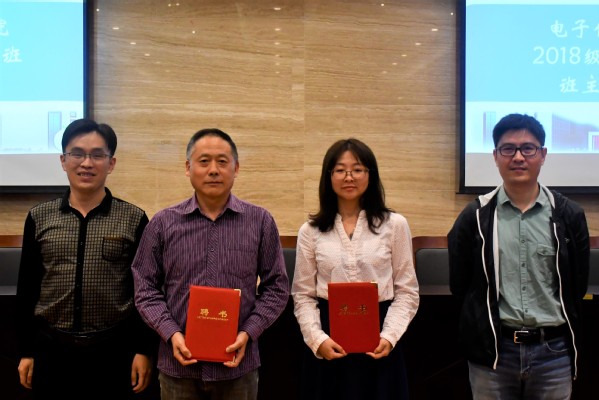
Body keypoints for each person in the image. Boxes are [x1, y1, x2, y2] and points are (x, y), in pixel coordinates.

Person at [131, 128, 289, 400]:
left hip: (238, 368)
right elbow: (144, 287)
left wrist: (248, 332)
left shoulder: (260, 221)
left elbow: (277, 288)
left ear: (236, 168)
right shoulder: (163, 223)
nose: (213, 170)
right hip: (177, 367)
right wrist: (171, 333)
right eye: (204, 161)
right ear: (188, 167)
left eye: (222, 161)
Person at [448, 113, 590, 400]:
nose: (518, 157)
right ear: (495, 156)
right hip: (494, 354)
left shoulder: (568, 215)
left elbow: (577, 286)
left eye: (528, 148)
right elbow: (460, 286)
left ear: (543, 155)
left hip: (553, 353)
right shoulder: (475, 216)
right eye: (508, 149)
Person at [15, 118, 158, 399]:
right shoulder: (39, 217)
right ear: (63, 160)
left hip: (113, 352)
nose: (86, 163)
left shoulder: (134, 219)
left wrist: (143, 350)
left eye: (97, 155)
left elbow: (145, 290)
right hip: (51, 350)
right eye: (77, 153)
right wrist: (26, 350)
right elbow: (28, 288)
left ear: (111, 163)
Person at [291, 138, 419, 400]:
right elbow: (303, 295)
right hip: (328, 340)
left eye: (357, 169)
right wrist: (317, 340)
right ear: (329, 176)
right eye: (340, 170)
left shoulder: (395, 225)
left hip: (379, 339)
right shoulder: (310, 231)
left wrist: (389, 336)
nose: (349, 177)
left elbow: (407, 291)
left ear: (370, 174)